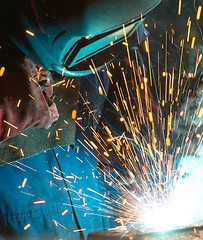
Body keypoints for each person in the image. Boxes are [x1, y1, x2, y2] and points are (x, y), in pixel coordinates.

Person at [0, 0, 160, 239]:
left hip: (92, 198)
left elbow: (127, 87)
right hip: (21, 212)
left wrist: (137, 161)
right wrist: (11, 104)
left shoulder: (118, 22)